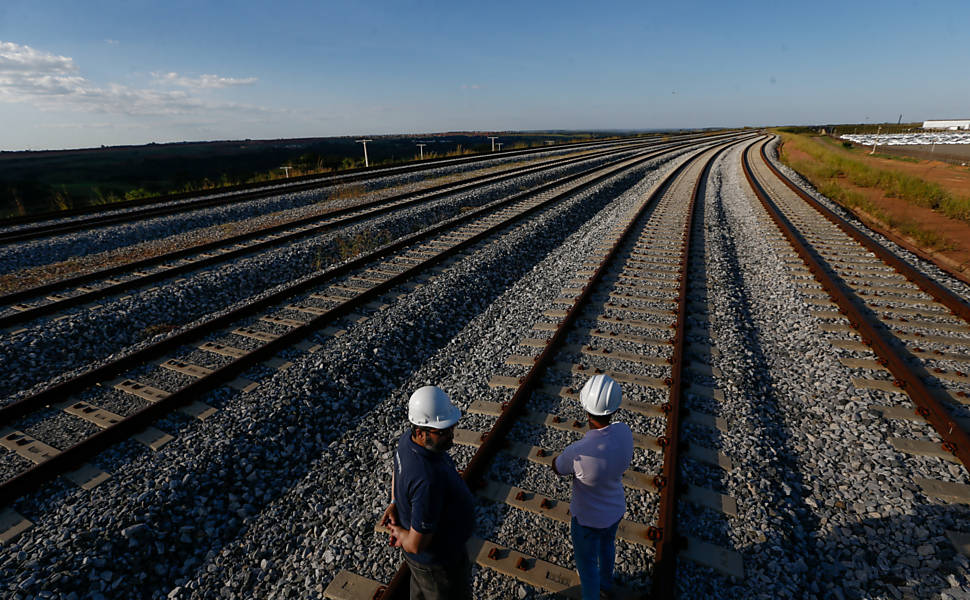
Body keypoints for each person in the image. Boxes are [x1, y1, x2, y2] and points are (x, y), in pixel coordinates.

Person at [381, 385, 475, 600]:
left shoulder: (407, 441)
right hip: (439, 563)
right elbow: (415, 544)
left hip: (425, 563)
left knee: (422, 593)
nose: (451, 435)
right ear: (421, 432)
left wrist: (394, 501)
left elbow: (397, 469)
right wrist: (399, 533)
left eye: (451, 427)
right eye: (442, 431)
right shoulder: (427, 480)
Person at [551, 374, 633, 600]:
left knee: (587, 568)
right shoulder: (624, 433)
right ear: (615, 409)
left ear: (586, 411)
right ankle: (606, 584)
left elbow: (558, 467)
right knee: (607, 547)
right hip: (615, 510)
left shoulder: (578, 451)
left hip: (587, 520)